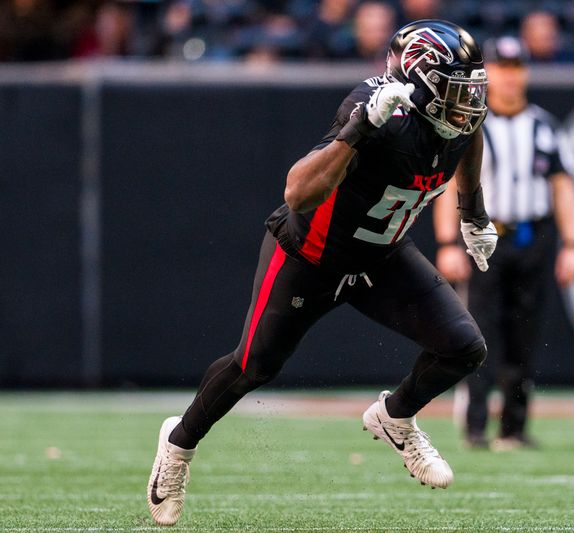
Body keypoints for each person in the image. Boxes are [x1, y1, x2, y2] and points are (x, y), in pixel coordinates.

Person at [147, 19, 498, 526]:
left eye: (473, 91)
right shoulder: (379, 110)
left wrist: (473, 211)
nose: (469, 104)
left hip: (381, 255)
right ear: (420, 80)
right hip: (309, 255)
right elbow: (297, 192)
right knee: (253, 366)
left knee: (465, 347)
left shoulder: (455, 120)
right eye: (458, 90)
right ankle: (177, 446)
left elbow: (470, 137)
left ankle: (395, 417)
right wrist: (358, 132)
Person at [434, 36, 574, 451]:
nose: (509, 77)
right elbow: (448, 186)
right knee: (478, 334)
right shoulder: (470, 122)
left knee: (525, 336)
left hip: (532, 238)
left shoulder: (545, 127)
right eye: (501, 67)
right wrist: (448, 242)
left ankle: (514, 427)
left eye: (516, 67)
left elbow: (563, 186)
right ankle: (476, 425)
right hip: (485, 240)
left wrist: (572, 244)